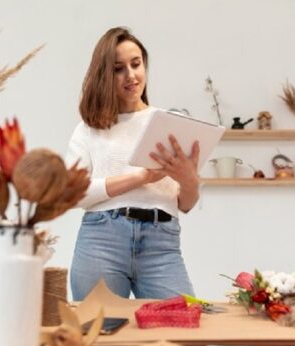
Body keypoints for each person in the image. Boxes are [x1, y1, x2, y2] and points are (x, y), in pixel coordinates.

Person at [65, 27, 200, 300]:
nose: (131, 75)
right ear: (104, 75)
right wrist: (140, 178)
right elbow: (73, 193)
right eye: (118, 68)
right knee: (99, 334)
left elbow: (185, 204)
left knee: (182, 327)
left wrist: (189, 179)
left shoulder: (167, 124)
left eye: (136, 64)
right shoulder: (89, 129)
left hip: (161, 243)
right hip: (102, 239)